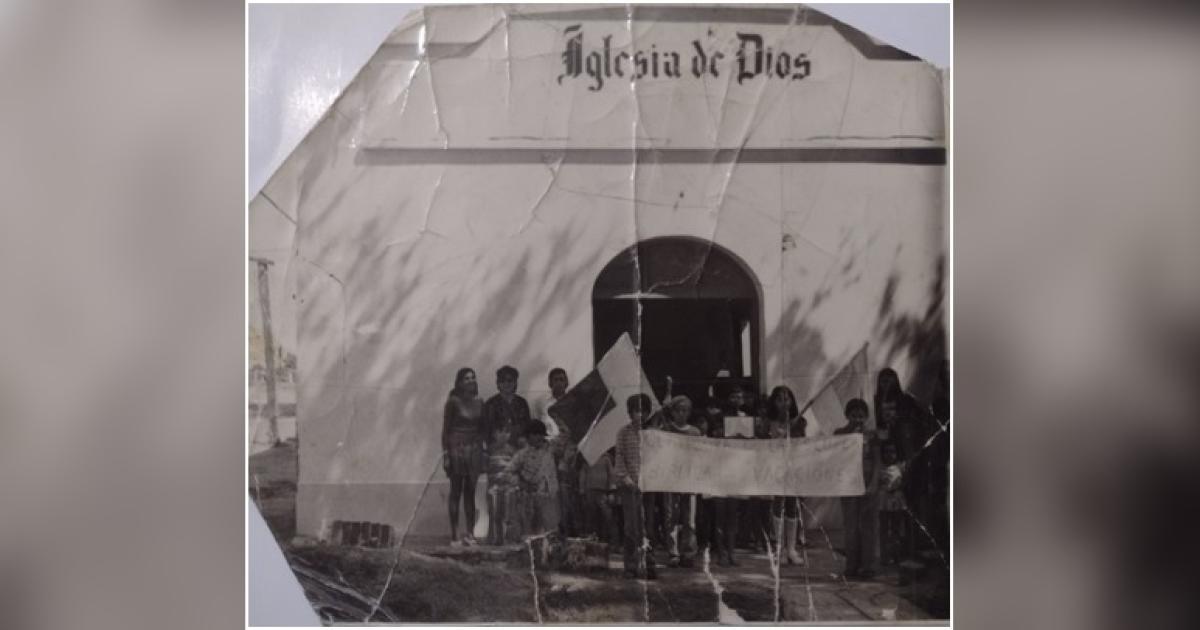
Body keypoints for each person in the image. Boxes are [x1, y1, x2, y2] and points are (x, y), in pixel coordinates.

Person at [874, 367, 933, 559]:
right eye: (883, 381)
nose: (886, 385)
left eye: (890, 380)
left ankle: (912, 546)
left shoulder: (906, 400)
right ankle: (893, 550)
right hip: (889, 455)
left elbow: (919, 428)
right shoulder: (877, 401)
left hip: (906, 456)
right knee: (890, 509)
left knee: (909, 505)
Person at [834, 398, 882, 579]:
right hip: (848, 485)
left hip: (868, 483)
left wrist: (874, 483)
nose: (858, 420)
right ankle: (851, 566)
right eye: (854, 415)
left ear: (867, 417)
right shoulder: (839, 434)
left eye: (861, 416)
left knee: (868, 526)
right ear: (847, 416)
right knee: (851, 525)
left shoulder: (872, 436)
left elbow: (877, 461)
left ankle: (868, 566)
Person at [614, 393, 658, 580]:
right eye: (636, 411)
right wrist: (627, 480)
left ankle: (648, 563)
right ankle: (630, 566)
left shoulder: (652, 434)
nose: (640, 415)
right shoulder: (623, 433)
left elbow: (657, 459)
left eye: (643, 411)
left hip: (648, 487)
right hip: (629, 487)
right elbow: (620, 458)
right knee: (631, 526)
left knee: (648, 526)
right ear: (630, 413)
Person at [442, 367, 485, 546]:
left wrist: (481, 450)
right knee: (456, 492)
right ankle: (455, 534)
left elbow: (482, 428)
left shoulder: (480, 402)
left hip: (474, 449)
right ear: (459, 382)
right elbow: (446, 430)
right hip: (456, 448)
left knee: (470, 492)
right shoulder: (453, 402)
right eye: (466, 378)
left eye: (472, 377)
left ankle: (470, 533)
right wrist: (446, 454)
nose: (470, 380)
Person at [765, 385, 807, 566]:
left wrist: (794, 431)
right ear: (774, 402)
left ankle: (791, 548)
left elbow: (803, 444)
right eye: (780, 399)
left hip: (792, 467)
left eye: (787, 399)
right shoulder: (767, 422)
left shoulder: (800, 421)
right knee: (778, 504)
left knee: (792, 505)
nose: (784, 403)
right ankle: (780, 549)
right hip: (775, 468)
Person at [661, 396, 701, 568]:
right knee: (671, 516)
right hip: (670, 477)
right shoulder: (667, 429)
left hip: (689, 478)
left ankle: (689, 552)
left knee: (689, 518)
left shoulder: (695, 432)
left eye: (686, 410)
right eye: (679, 410)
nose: (682, 414)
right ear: (673, 411)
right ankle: (673, 552)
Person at [509, 422, 560, 537]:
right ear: (528, 436)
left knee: (551, 531)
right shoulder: (522, 454)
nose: (539, 438)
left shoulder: (551, 450)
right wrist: (522, 484)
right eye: (536, 434)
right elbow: (509, 472)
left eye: (541, 435)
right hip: (529, 497)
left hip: (549, 496)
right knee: (531, 532)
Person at [582, 447, 619, 551]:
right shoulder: (588, 458)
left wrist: (611, 491)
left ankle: (614, 543)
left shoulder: (606, 458)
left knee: (608, 517)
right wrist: (582, 491)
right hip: (590, 491)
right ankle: (591, 543)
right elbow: (583, 473)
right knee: (591, 517)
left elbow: (611, 475)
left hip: (603, 492)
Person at [485, 425, 517, 545]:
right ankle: (495, 538)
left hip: (508, 486)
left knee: (508, 513)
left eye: (507, 432)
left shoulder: (512, 451)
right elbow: (486, 468)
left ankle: (507, 538)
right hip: (494, 487)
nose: (504, 435)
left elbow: (515, 469)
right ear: (494, 434)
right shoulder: (490, 450)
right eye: (500, 431)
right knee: (494, 513)